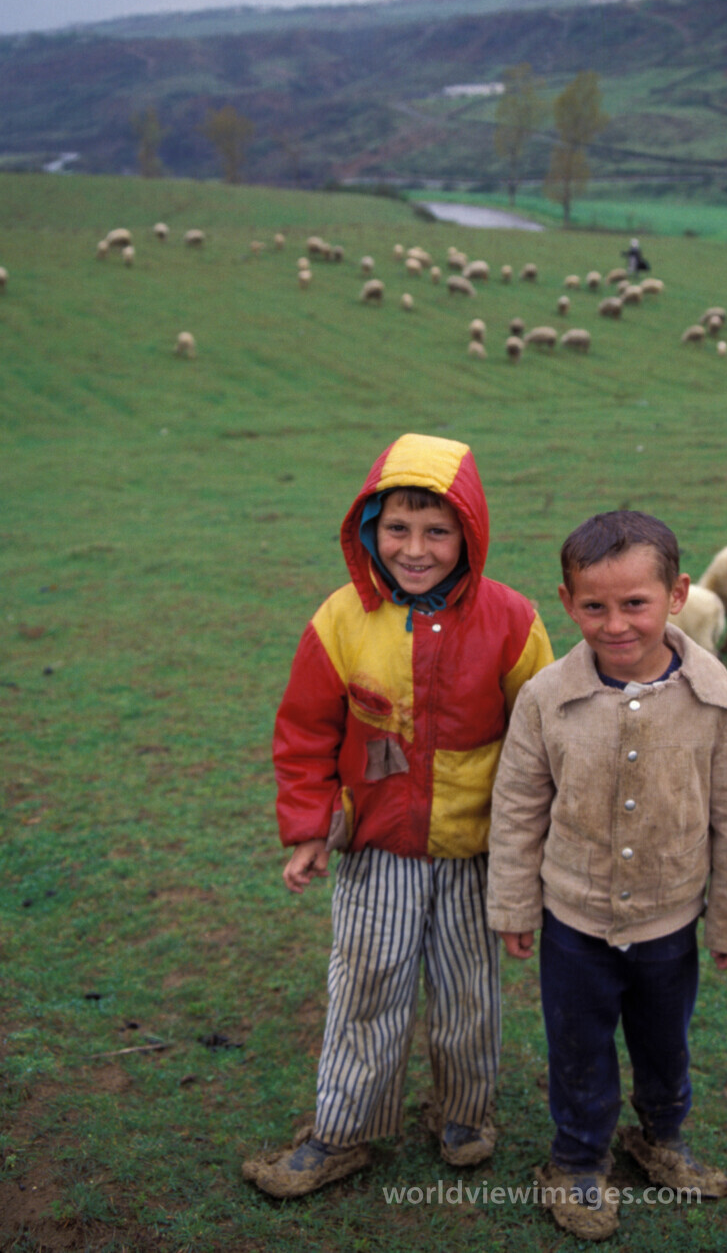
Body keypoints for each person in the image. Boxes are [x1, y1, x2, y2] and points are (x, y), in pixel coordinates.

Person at [242, 433, 553, 1199]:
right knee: (366, 987)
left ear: (469, 532)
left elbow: (547, 735)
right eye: (397, 529)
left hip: (475, 851)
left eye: (437, 531)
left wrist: (535, 847)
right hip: (378, 846)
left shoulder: (512, 619)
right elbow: (306, 730)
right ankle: (342, 1131)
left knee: (467, 993)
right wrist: (312, 826)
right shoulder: (341, 619)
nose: (415, 549)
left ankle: (463, 1114)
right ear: (369, 528)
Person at [487, 510, 727, 1239]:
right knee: (577, 1047)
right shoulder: (545, 697)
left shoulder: (718, 699)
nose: (615, 624)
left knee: (664, 1044)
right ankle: (576, 1163)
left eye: (634, 603)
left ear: (675, 595)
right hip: (572, 922)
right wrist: (515, 905)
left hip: (669, 923)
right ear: (566, 599)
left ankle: (659, 1138)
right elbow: (517, 806)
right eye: (594, 606)